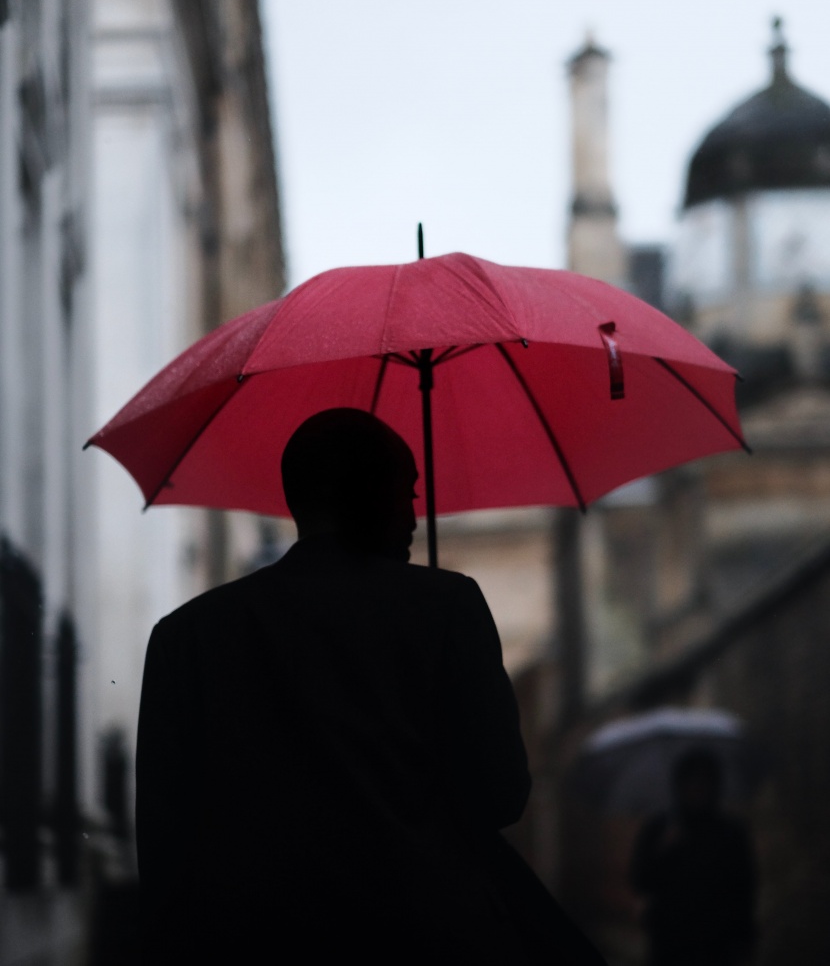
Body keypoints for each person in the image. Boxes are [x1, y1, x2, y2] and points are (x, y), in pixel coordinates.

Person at [136, 408, 606, 964]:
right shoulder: (447, 608)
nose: (413, 515)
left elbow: (164, 848)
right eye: (404, 492)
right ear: (365, 494)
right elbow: (500, 794)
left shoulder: (185, 638)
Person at [630, 747, 757, 966]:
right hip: (669, 944)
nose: (698, 789)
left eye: (704, 781)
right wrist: (662, 850)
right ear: (680, 784)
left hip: (718, 945)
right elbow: (640, 881)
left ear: (715, 785)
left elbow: (744, 889)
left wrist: (744, 941)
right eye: (691, 781)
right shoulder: (660, 828)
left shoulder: (731, 832)